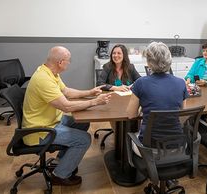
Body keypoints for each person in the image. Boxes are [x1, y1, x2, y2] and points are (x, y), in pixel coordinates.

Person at [22, 46, 111, 186]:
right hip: (40, 130)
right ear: (61, 62)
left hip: (52, 121)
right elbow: (67, 106)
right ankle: (59, 175)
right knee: (84, 139)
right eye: (68, 61)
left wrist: (89, 92)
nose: (69, 63)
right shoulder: (44, 79)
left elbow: (67, 92)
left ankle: (60, 162)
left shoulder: (50, 73)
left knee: (82, 123)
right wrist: (94, 102)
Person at [126, 41, 189, 153]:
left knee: (132, 138)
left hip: (150, 147)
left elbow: (131, 115)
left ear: (149, 62)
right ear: (169, 59)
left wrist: (141, 109)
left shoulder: (140, 83)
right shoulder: (181, 83)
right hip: (177, 145)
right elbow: (182, 115)